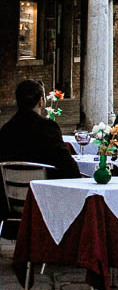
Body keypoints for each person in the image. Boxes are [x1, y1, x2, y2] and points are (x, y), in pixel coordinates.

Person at [0, 80, 81, 234]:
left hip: (11, 206)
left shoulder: (5, 130)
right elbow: (70, 170)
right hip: (45, 203)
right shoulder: (48, 128)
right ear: (41, 101)